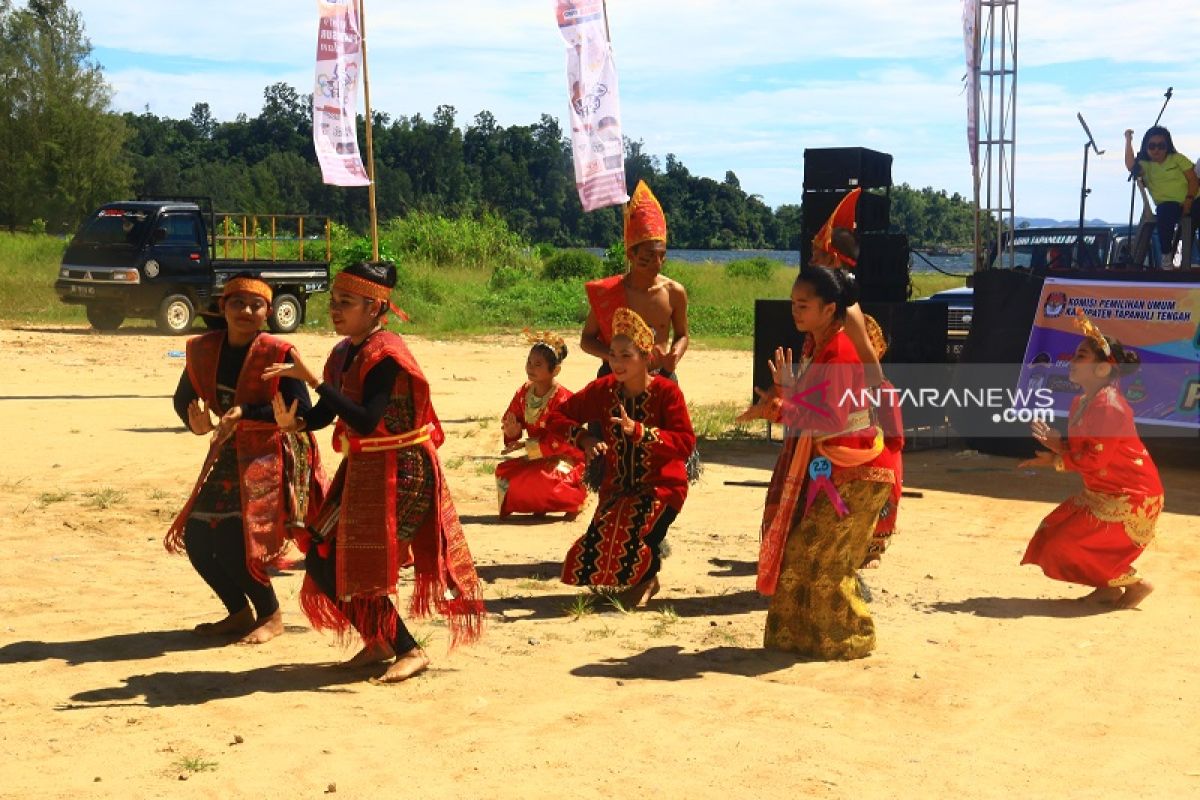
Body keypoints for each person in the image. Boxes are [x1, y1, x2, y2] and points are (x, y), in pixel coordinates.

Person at [264, 261, 484, 683]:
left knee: (360, 559)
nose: (334, 310)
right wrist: (295, 423)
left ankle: (409, 648)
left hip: (401, 470)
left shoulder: (387, 354)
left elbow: (366, 419)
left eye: (345, 303)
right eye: (333, 301)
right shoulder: (344, 352)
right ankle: (379, 639)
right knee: (321, 556)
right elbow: (327, 414)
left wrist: (312, 379)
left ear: (375, 306)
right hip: (364, 469)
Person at [739, 265, 895, 660]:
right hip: (833, 465)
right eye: (793, 303)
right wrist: (788, 393)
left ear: (829, 309)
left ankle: (850, 637)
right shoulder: (817, 347)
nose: (795, 310)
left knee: (823, 559)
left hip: (855, 471)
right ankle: (802, 640)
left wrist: (775, 409)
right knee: (804, 553)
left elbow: (833, 419)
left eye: (803, 304)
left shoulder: (839, 351)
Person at [165, 275, 324, 645]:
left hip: (273, 448)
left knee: (239, 538)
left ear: (269, 312)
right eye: (238, 303)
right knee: (200, 536)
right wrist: (195, 422)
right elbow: (183, 399)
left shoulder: (278, 353)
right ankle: (238, 613)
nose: (246, 311)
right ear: (223, 307)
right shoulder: (205, 350)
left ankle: (270, 615)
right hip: (230, 449)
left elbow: (300, 411)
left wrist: (248, 411)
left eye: (256, 306)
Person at [542, 307, 696, 608]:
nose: (617, 362)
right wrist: (584, 438)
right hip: (618, 488)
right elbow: (556, 417)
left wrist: (640, 432)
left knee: (636, 530)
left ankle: (647, 581)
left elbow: (685, 443)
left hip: (662, 487)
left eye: (626, 355)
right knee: (593, 552)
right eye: (613, 354)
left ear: (646, 356)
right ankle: (641, 579)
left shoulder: (667, 393)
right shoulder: (603, 390)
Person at [1019, 310, 1164, 609]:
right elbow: (1087, 448)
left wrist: (1056, 458)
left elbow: (1095, 460)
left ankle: (1136, 584)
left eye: (1081, 356)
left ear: (1101, 369)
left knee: (1067, 542)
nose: (1072, 361)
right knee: (1054, 534)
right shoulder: (1082, 401)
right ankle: (1107, 589)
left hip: (1131, 497)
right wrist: (1057, 444)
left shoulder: (1110, 406)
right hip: (1105, 491)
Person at [580, 180, 697, 486]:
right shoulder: (611, 294)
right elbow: (586, 339)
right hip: (615, 379)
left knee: (661, 455)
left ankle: (655, 522)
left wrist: (675, 354)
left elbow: (683, 334)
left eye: (661, 256)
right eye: (647, 257)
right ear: (631, 255)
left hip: (659, 378)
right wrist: (617, 358)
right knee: (614, 460)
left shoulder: (674, 292)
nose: (655, 263)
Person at [495, 330, 587, 517]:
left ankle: (574, 498)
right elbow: (511, 420)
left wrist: (526, 444)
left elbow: (560, 441)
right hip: (539, 456)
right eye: (529, 361)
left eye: (538, 364)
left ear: (555, 370)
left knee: (543, 478)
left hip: (566, 458)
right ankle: (540, 504)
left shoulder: (562, 399)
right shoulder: (524, 393)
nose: (531, 367)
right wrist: (512, 432)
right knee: (505, 474)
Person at [1124, 126, 1199, 267]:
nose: (1156, 150)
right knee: (1164, 212)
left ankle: (1187, 261)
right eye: (1152, 146)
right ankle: (1167, 257)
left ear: (1168, 146)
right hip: (1168, 204)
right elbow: (1130, 165)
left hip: (1193, 198)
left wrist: (1188, 201)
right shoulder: (1145, 165)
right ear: (1146, 147)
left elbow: (1193, 180)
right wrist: (1128, 139)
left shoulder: (1177, 158)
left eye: (1161, 146)